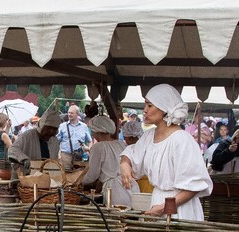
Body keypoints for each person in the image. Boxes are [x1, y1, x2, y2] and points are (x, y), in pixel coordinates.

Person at [119, 84, 213, 221]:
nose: (144, 110)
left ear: (164, 109)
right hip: (157, 201)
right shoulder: (148, 136)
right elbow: (131, 154)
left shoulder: (182, 140)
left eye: (150, 106)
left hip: (180, 207)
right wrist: (124, 163)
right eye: (145, 105)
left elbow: (194, 185)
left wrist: (164, 207)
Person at [82, 115, 138, 207]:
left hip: (115, 190)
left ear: (98, 131)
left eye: (93, 131)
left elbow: (92, 175)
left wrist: (80, 181)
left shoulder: (98, 147)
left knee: (117, 218)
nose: (92, 134)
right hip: (131, 186)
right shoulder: (120, 144)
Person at [55, 104, 91, 171]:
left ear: (77, 114)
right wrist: (58, 154)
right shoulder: (62, 126)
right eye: (68, 112)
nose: (69, 114)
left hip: (79, 156)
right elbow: (57, 141)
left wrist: (89, 151)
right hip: (65, 155)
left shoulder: (84, 127)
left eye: (72, 113)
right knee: (65, 176)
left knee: (78, 176)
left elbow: (89, 141)